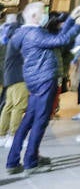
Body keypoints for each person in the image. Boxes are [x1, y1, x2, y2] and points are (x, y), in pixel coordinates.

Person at [6, 0, 80, 175]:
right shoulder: (34, 34)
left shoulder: (26, 32)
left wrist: (72, 18)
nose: (45, 15)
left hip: (35, 78)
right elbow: (62, 39)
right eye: (43, 12)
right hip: (44, 78)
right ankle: (31, 161)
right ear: (34, 16)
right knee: (40, 121)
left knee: (29, 119)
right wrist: (78, 25)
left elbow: (56, 40)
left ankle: (13, 160)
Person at [0, 13, 26, 145]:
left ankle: (2, 134)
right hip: (19, 75)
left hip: (9, 75)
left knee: (8, 105)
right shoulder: (19, 37)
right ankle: (13, 135)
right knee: (18, 106)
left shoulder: (7, 36)